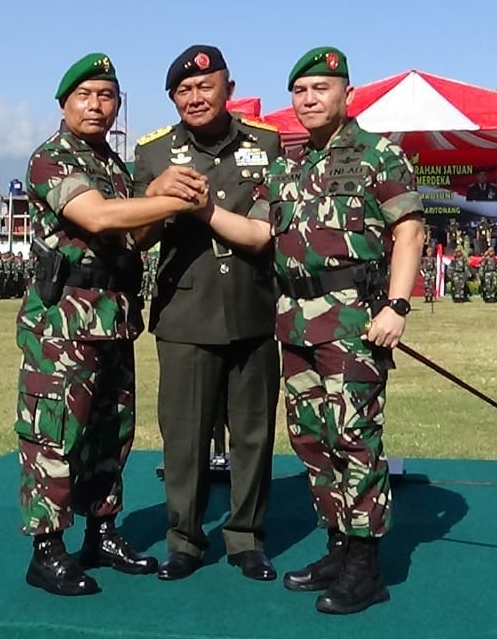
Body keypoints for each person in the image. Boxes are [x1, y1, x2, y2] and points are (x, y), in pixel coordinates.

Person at [180, 47, 424, 614]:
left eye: (321, 88)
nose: (309, 99)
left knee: (354, 437)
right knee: (311, 439)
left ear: (347, 94)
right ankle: (338, 547)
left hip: (353, 322)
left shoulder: (379, 156)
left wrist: (397, 306)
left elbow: (410, 232)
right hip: (294, 323)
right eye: (300, 91)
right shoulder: (287, 166)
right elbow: (258, 233)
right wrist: (201, 210)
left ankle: (366, 565)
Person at [15, 52, 207, 596]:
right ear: (64, 104)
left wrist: (163, 198)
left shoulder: (114, 167)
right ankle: (47, 550)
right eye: (85, 96)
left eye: (106, 97)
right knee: (54, 433)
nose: (96, 106)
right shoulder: (51, 158)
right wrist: (162, 198)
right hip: (64, 321)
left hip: (113, 317)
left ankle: (102, 533)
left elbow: (135, 236)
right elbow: (97, 216)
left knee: (110, 432)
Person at [131, 45, 281, 583]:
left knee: (253, 434)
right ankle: (184, 540)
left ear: (228, 89)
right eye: (183, 91)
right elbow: (135, 236)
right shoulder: (153, 152)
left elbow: (267, 229)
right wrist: (156, 194)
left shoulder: (266, 143)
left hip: (252, 309)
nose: (194, 97)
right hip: (186, 312)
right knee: (185, 437)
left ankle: (246, 538)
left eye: (204, 86)